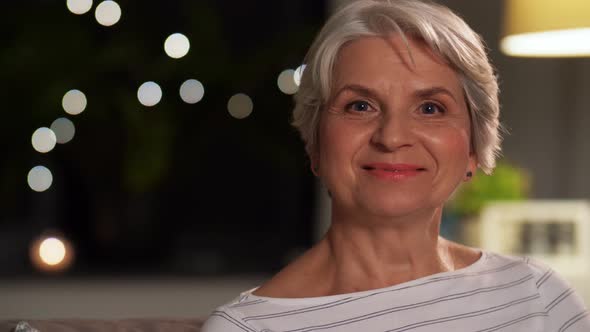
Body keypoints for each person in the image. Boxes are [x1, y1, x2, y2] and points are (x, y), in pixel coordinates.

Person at [202, 0, 590, 331]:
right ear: (315, 140)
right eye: (360, 106)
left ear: (473, 148)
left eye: (430, 108)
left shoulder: (535, 294)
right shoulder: (250, 327)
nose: (391, 137)